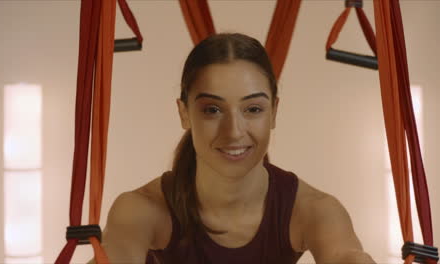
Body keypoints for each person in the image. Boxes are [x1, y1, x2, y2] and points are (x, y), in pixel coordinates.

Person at [88, 33, 376, 264]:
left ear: (274, 111)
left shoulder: (314, 210)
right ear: (184, 113)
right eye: (212, 110)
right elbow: (119, 253)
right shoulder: (141, 210)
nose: (234, 132)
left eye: (252, 109)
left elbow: (343, 255)